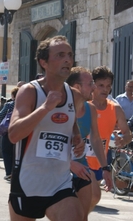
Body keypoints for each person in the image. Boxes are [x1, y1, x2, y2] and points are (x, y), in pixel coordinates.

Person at [8, 36, 85, 220]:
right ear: (44, 62)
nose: (67, 59)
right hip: (28, 183)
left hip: (60, 183)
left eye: (69, 54)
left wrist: (76, 135)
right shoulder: (30, 92)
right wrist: (45, 108)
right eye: (60, 55)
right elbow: (13, 134)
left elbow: (70, 119)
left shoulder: (73, 95)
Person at [66, 66, 113, 219]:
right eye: (90, 83)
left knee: (95, 196)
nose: (94, 87)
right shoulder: (61, 107)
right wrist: (69, 163)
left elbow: (95, 139)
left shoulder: (90, 108)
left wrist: (105, 168)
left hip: (81, 164)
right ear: (77, 87)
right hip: (59, 167)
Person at [87, 66, 132, 207]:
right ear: (92, 85)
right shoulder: (84, 106)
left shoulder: (115, 108)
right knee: (92, 195)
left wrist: (123, 139)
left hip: (100, 162)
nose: (105, 89)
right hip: (80, 160)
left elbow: (127, 134)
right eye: (101, 85)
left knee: (93, 199)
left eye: (108, 86)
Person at [0, 87, 19, 181]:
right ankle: (16, 172)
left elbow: (0, 115)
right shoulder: (25, 105)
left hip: (8, 131)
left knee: (6, 151)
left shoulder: (9, 104)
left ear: (13, 96)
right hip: (20, 131)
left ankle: (8, 172)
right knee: (17, 153)